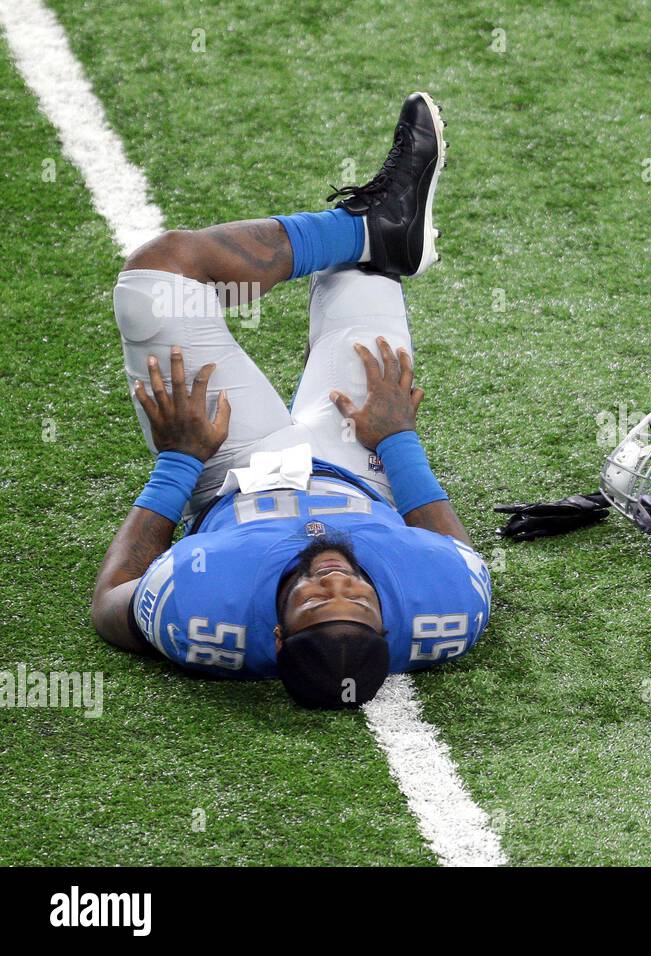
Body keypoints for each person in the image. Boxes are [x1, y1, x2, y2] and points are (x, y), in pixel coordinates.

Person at [90, 93, 490, 708]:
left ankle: (358, 228)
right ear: (388, 624)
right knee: (366, 271)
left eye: (311, 600)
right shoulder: (444, 611)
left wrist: (177, 462)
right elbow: (454, 552)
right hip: (361, 464)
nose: (334, 580)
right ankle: (377, 231)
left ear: (275, 635)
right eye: (358, 599)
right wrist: (399, 441)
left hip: (228, 469)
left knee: (156, 281)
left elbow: (111, 597)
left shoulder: (202, 617)